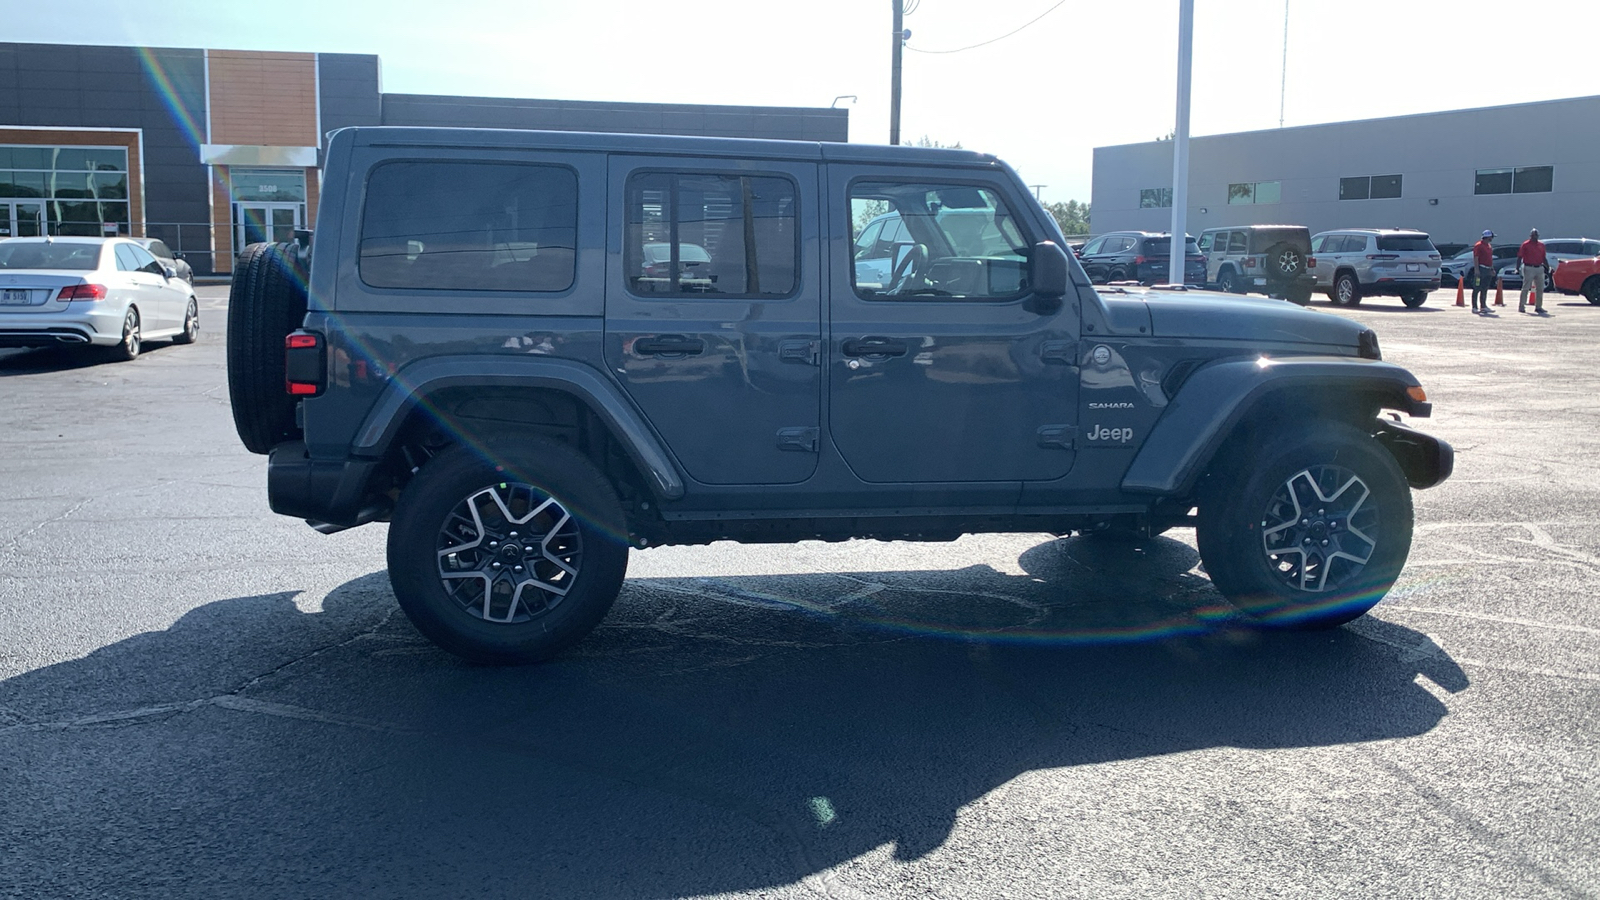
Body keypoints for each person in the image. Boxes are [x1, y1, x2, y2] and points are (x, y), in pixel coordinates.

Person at [1518, 228, 1550, 315]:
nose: (1534, 237)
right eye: (1533, 235)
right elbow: (1520, 257)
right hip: (1529, 267)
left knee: (1540, 288)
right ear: (1530, 236)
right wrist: (1517, 268)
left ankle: (1538, 306)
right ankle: (1521, 306)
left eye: (1536, 235)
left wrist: (1548, 266)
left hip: (1539, 267)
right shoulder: (1525, 245)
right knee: (1526, 287)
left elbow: (1543, 257)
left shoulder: (1541, 245)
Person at [1471, 229, 1496, 313]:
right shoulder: (1478, 245)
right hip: (1481, 269)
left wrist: (1492, 269)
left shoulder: (1489, 246)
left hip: (1488, 269)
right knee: (1477, 287)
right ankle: (1474, 307)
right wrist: (1477, 270)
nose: (1492, 239)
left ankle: (1483, 306)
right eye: (1491, 237)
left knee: (1485, 288)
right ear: (1487, 237)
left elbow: (1490, 259)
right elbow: (1476, 257)